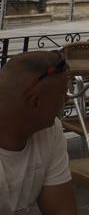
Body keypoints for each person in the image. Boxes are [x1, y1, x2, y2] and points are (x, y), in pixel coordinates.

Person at [0, 50, 77, 215]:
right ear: (35, 102)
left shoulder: (50, 130)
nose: (68, 99)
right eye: (63, 94)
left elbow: (61, 209)